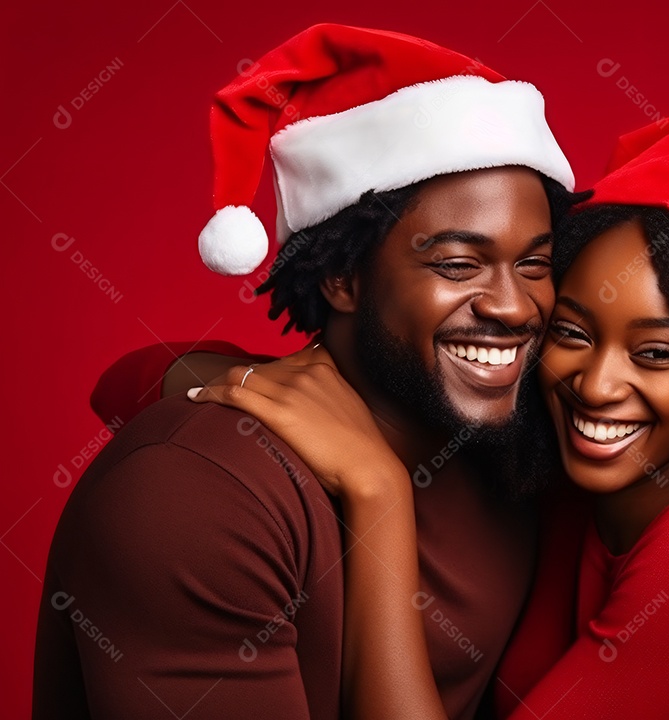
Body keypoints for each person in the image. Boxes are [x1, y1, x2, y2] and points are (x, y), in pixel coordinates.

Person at [177, 114, 669, 718]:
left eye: (657, 353)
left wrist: (376, 489)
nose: (598, 385)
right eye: (573, 335)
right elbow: (128, 381)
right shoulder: (567, 480)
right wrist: (258, 383)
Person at [33, 23, 580, 719]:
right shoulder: (203, 499)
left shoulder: (516, 446)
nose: (513, 306)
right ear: (342, 278)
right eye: (457, 264)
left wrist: (377, 484)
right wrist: (377, 491)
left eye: (534, 263)